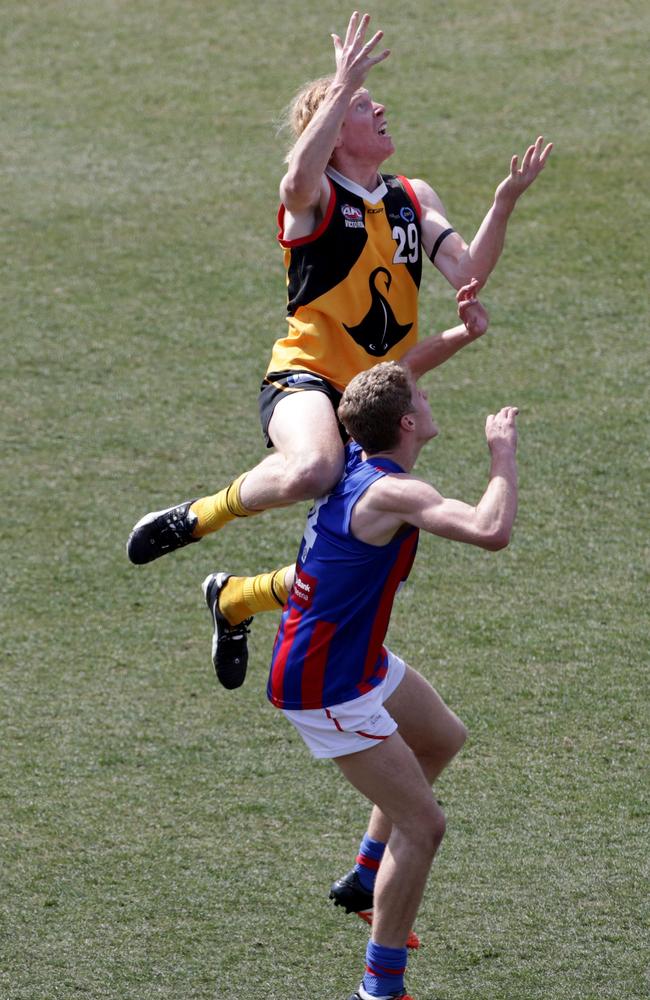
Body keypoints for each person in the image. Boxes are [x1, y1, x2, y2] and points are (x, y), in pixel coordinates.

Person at [127, 10, 547, 672]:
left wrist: (503, 204)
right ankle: (199, 517)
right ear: (333, 136)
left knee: (376, 563)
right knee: (316, 469)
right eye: (360, 103)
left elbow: (468, 272)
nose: (377, 105)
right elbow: (294, 180)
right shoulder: (316, 195)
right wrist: (342, 76)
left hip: (377, 392)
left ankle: (235, 599)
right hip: (306, 379)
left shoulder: (412, 194)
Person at [204, 359, 519, 999]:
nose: (429, 399)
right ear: (406, 422)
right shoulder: (391, 492)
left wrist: (460, 331)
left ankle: (363, 880)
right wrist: (501, 455)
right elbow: (491, 530)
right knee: (424, 825)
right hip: (326, 686)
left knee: (441, 738)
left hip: (355, 658)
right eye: (421, 397)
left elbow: (386, 384)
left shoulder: (351, 457)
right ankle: (379, 988)